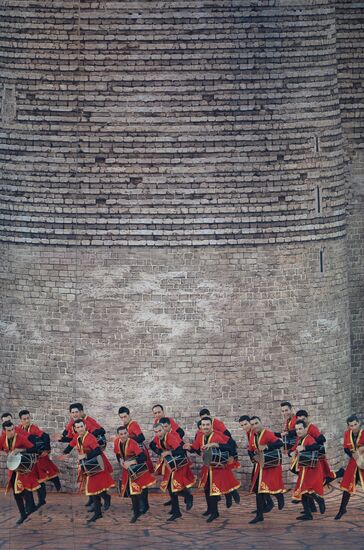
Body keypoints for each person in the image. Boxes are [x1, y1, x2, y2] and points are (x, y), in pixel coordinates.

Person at [185, 416, 240, 523]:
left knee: (213, 490)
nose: (205, 427)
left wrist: (216, 444)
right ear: (201, 427)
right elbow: (196, 448)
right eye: (203, 425)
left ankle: (215, 512)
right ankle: (210, 509)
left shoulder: (217, 436)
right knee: (206, 489)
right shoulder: (200, 436)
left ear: (211, 426)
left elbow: (230, 447)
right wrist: (189, 447)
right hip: (208, 466)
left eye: (207, 425)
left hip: (218, 467)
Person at [61, 418, 114, 523]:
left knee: (94, 488)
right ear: (75, 429)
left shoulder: (90, 437)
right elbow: (70, 446)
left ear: (85, 426)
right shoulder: (77, 437)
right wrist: (64, 454)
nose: (80, 429)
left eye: (81, 426)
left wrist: (85, 455)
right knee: (94, 488)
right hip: (88, 465)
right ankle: (101, 505)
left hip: (97, 463)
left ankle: (98, 511)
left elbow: (98, 451)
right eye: (77, 427)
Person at [54, 402, 107, 509]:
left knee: (96, 479)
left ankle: (104, 500)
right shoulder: (73, 423)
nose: (74, 414)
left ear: (81, 412)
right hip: (83, 453)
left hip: (92, 452)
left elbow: (102, 430)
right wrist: (62, 439)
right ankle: (93, 500)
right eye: (72, 412)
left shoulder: (87, 422)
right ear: (70, 414)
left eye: (76, 412)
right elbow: (72, 439)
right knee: (87, 478)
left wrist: (87, 437)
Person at [150, 422, 195, 521]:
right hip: (169, 464)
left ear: (164, 429)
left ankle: (188, 496)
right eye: (156, 432)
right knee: (170, 488)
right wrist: (159, 452)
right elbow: (151, 445)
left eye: (160, 430)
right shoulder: (157, 438)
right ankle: (176, 511)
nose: (158, 433)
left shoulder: (170, 437)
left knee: (175, 487)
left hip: (179, 464)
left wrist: (169, 452)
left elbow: (181, 451)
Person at [18, 409, 61, 507]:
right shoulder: (18, 429)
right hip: (29, 458)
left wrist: (46, 450)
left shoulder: (34, 428)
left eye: (28, 418)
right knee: (37, 479)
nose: (27, 421)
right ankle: (41, 500)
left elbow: (45, 436)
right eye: (24, 419)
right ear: (20, 420)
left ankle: (54, 482)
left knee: (42, 476)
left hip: (39, 455)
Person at [114, 425, 156, 522]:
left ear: (128, 433)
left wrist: (131, 462)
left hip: (138, 469)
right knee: (132, 493)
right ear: (118, 435)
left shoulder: (133, 443)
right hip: (127, 470)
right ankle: (136, 512)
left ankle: (141, 508)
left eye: (125, 433)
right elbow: (117, 454)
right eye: (121, 434)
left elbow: (142, 457)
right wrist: (120, 461)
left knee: (139, 490)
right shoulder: (116, 442)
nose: (124, 435)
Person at [0, 420, 39, 525]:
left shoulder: (20, 438)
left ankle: (30, 507)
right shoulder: (2, 438)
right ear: (4, 431)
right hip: (12, 469)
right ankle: (23, 514)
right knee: (16, 493)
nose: (12, 431)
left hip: (23, 470)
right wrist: (5, 454)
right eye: (9, 430)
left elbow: (34, 448)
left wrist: (21, 450)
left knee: (24, 490)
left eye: (13, 429)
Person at [248, 416, 285, 524]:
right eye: (253, 424)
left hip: (270, 466)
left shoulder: (267, 433)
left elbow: (279, 443)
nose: (255, 426)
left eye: (256, 423)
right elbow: (250, 449)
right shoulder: (253, 436)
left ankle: (279, 495)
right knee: (259, 491)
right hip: (261, 466)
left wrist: (267, 447)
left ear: (261, 422)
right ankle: (259, 515)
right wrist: (252, 457)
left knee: (269, 487)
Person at [239, 415, 275, 515]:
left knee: (258, 484)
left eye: (246, 424)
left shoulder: (256, 432)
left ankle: (266, 505)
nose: (244, 427)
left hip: (264, 461)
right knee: (256, 485)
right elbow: (250, 449)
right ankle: (264, 506)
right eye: (242, 425)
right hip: (258, 460)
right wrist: (252, 458)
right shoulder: (249, 433)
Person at [290, 420, 325, 521]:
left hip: (311, 469)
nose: (298, 431)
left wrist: (304, 448)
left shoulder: (309, 438)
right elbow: (294, 448)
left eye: (300, 429)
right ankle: (308, 513)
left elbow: (317, 446)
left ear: (305, 429)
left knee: (307, 489)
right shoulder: (299, 439)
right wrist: (291, 452)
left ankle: (319, 500)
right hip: (304, 468)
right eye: (297, 429)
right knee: (304, 491)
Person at [295, 409, 338, 485]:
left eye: (303, 419)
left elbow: (322, 439)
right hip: (308, 455)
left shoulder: (312, 428)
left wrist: (310, 441)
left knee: (322, 476)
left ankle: (339, 473)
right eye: (300, 420)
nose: (302, 422)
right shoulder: (300, 429)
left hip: (316, 455)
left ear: (307, 418)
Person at [335, 414, 364, 520]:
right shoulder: (347, 434)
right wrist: (353, 455)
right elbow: (346, 449)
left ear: (359, 423)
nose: (354, 427)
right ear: (348, 427)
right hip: (354, 462)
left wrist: (361, 451)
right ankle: (342, 509)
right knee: (347, 485)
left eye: (355, 424)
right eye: (351, 426)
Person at [118, 406, 154, 473]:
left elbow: (141, 438)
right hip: (133, 451)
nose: (123, 419)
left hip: (139, 450)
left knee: (143, 474)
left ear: (129, 415)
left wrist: (127, 438)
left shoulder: (133, 424)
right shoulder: (125, 424)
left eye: (125, 416)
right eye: (121, 417)